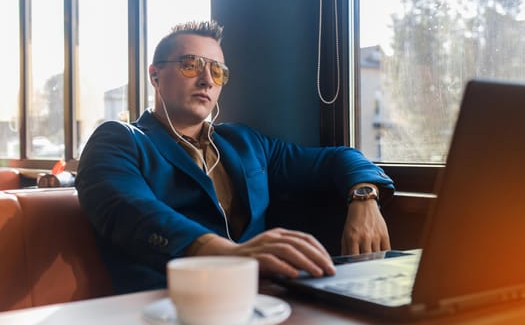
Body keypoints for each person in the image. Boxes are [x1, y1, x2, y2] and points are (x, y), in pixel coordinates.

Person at [75, 20, 395, 294]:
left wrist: (363, 196)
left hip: (263, 301)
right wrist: (232, 255)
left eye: (217, 70)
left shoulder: (244, 142)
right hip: (169, 303)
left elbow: (338, 158)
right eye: (190, 64)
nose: (207, 79)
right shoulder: (119, 139)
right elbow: (131, 211)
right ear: (155, 75)